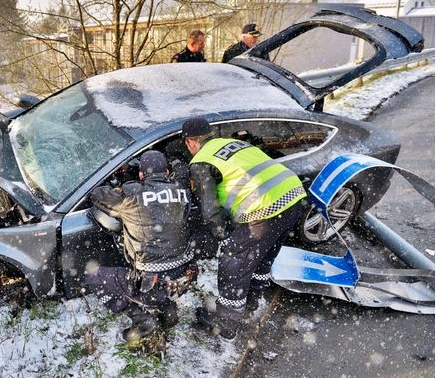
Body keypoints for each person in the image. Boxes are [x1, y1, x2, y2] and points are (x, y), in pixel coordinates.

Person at [181, 117, 309, 340]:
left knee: (234, 260)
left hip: (264, 209)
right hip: (293, 197)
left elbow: (209, 208)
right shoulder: (236, 144)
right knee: (264, 253)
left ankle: (227, 322)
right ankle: (252, 300)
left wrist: (222, 236)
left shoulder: (201, 161)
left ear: (190, 142)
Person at [86, 150, 197, 343]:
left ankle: (142, 319)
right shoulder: (181, 189)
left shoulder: (132, 195)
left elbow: (97, 195)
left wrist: (121, 188)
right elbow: (182, 174)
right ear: (167, 172)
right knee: (161, 286)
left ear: (140, 175)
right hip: (182, 275)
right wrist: (178, 163)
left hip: (148, 282)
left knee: (93, 276)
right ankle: (167, 310)